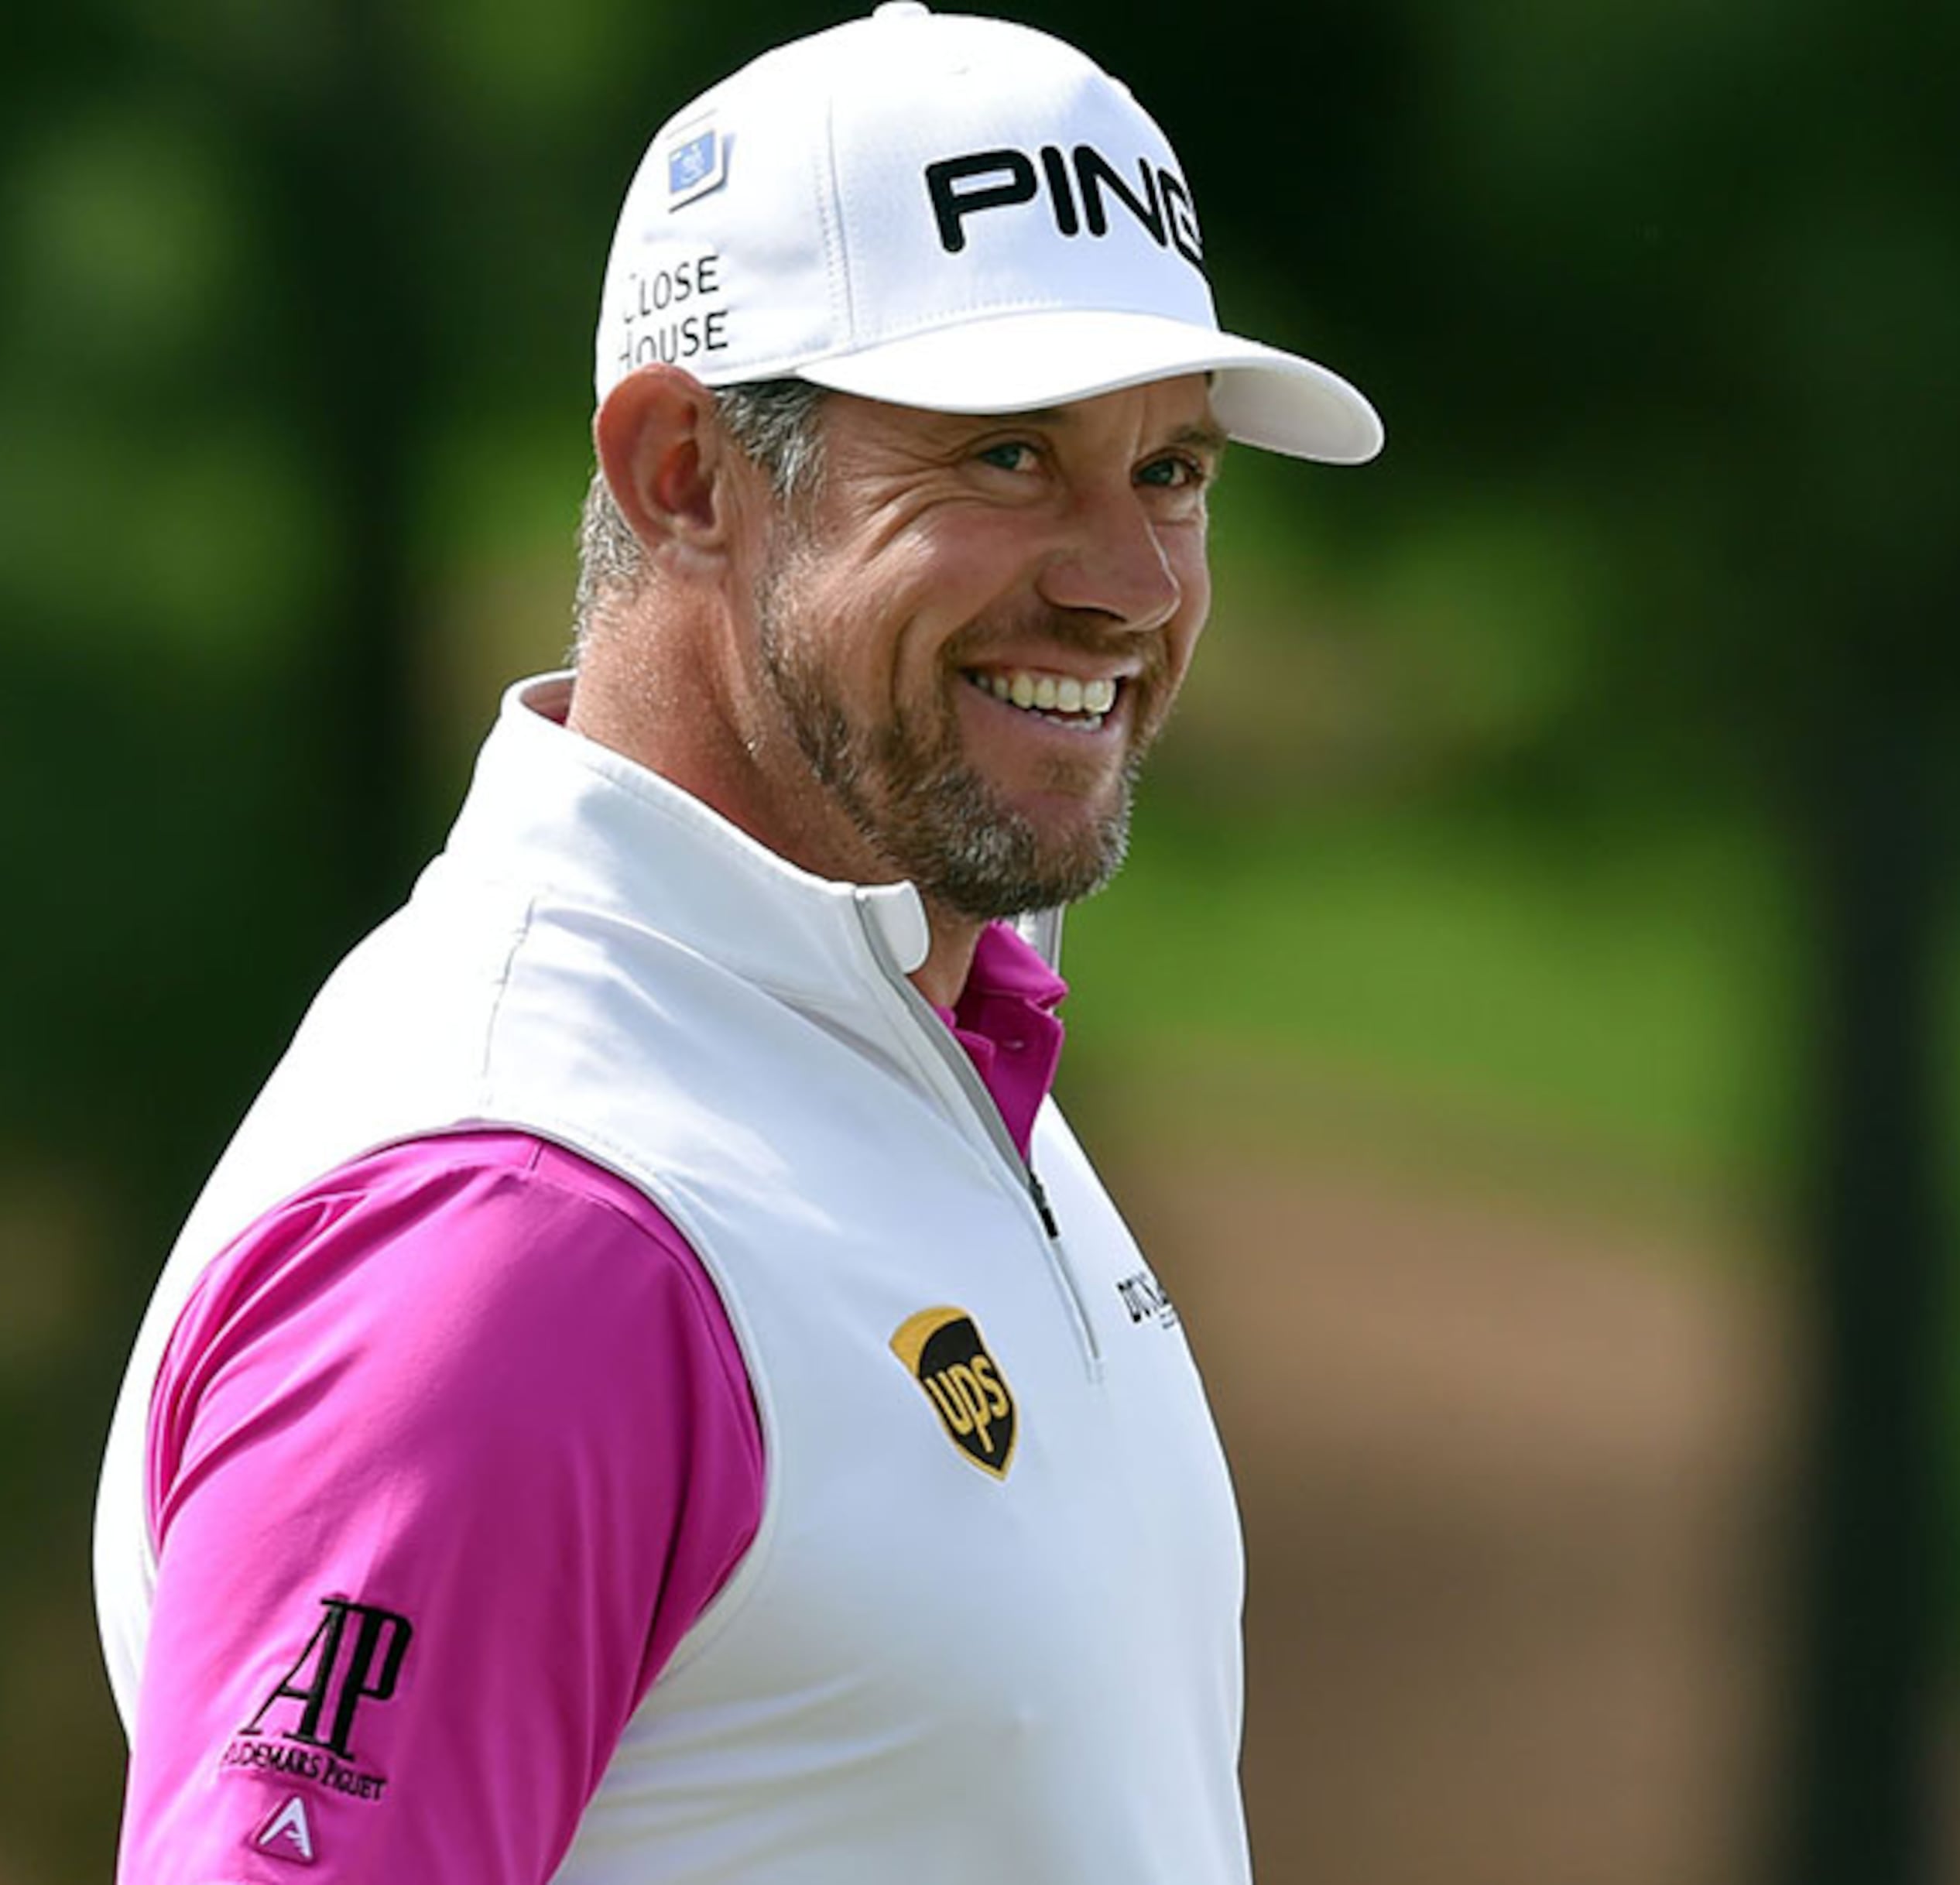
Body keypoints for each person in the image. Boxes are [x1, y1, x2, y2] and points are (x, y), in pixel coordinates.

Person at [91, 5, 1380, 1880]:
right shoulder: (523, 1234)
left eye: (1170, 471)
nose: (1128, 583)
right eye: (1008, 457)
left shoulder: (898, 1032)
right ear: (685, 471)